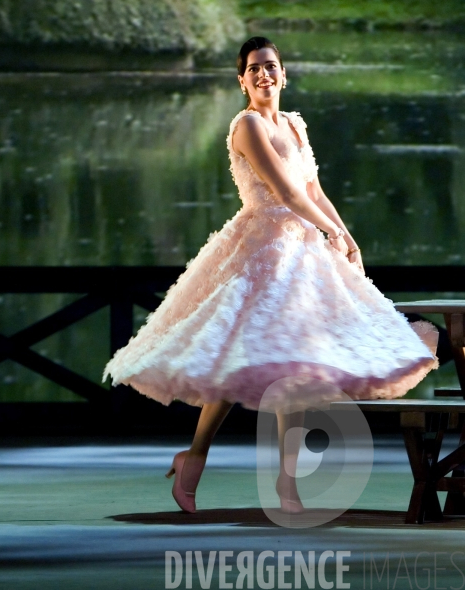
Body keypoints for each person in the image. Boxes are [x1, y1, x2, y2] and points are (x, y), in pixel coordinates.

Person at [103, 37, 438, 515]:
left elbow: (313, 189)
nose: (264, 75)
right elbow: (284, 192)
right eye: (254, 69)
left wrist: (346, 236)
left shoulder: (295, 125)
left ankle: (283, 483)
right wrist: (329, 233)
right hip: (261, 250)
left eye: (271, 67)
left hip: (303, 253)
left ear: (284, 75)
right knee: (236, 361)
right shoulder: (248, 126)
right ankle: (196, 456)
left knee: (292, 370)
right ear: (242, 80)